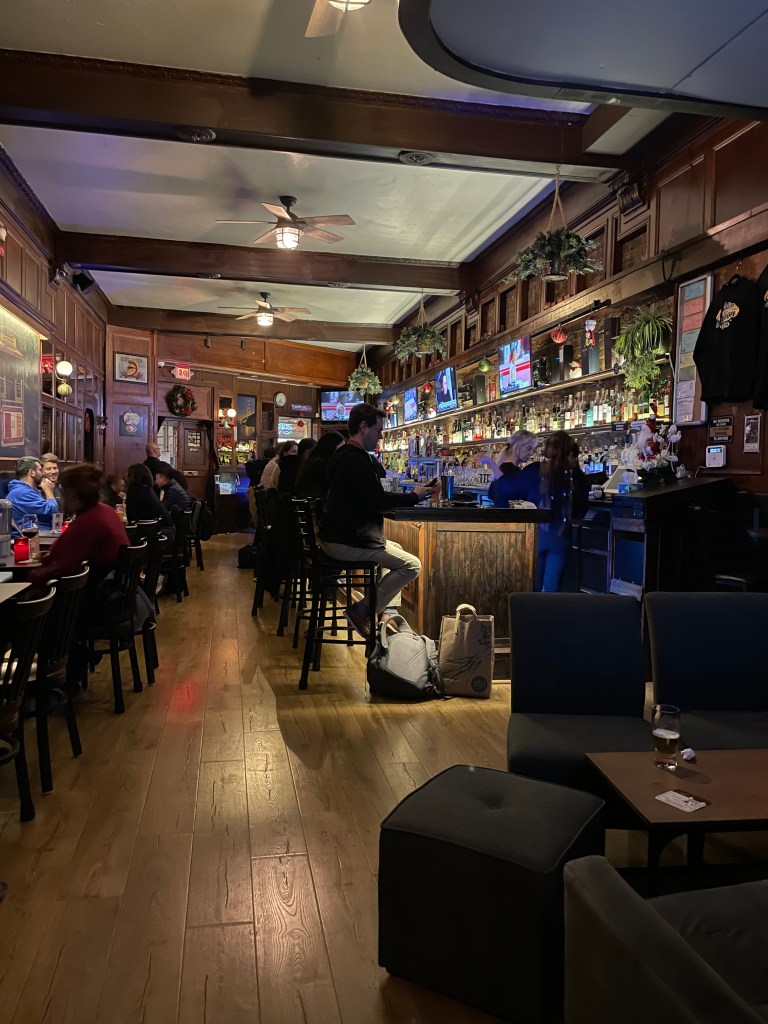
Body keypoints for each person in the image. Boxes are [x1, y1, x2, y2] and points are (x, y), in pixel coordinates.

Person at [319, 403, 437, 637]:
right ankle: (362, 610)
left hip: (336, 536)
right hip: (345, 541)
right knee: (412, 565)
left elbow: (370, 497)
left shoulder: (342, 455)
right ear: (363, 427)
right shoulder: (356, 459)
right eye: (378, 430)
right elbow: (378, 500)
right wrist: (414, 496)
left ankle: (382, 612)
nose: (381, 436)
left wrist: (410, 496)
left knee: (398, 549)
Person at [495, 430, 588, 592]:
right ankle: (549, 616)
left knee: (532, 587)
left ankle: (531, 616)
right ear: (571, 451)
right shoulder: (578, 475)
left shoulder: (534, 469)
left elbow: (505, 490)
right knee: (552, 591)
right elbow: (580, 512)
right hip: (561, 537)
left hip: (536, 536)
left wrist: (497, 468)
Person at [30, 464, 129, 590]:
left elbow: (64, 567)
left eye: (64, 490)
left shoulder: (88, 522)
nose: (63, 496)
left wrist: (31, 576)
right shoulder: (107, 511)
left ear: (73, 493)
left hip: (87, 599)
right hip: (112, 590)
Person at [7, 455, 59, 532]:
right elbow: (52, 511)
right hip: (32, 538)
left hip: (44, 534)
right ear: (32, 472)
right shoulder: (21, 492)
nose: (43, 473)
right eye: (41, 470)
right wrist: (48, 491)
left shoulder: (31, 490)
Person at [487, 430, 538, 504]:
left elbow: (491, 495)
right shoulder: (511, 471)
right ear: (517, 446)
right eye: (529, 448)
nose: (531, 453)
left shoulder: (502, 467)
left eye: (533, 450)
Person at [124, 463, 174, 536]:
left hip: (158, 535)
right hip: (166, 531)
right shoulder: (148, 489)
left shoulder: (134, 490)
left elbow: (131, 519)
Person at [295, 431, 345, 500]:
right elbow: (331, 486)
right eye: (340, 447)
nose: (342, 450)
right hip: (317, 504)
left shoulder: (311, 461)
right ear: (331, 447)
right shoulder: (320, 464)